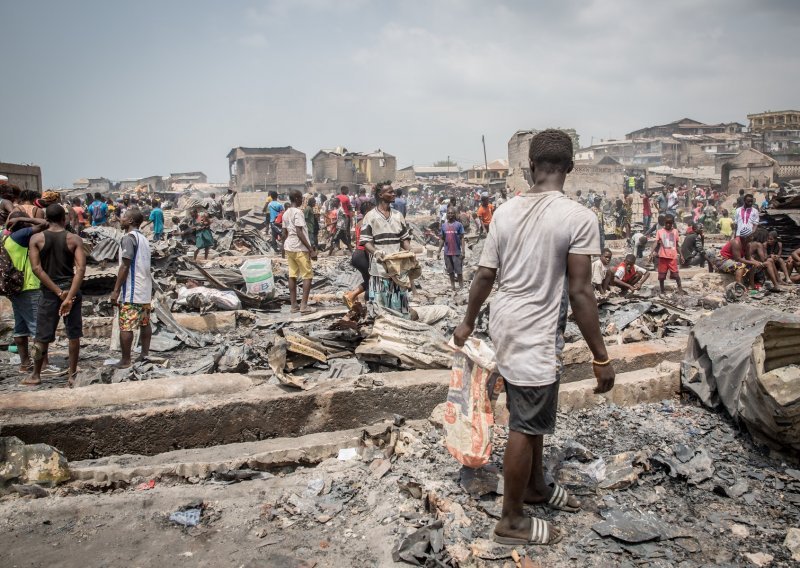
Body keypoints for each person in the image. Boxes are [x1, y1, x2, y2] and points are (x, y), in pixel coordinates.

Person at [453, 130, 614, 547]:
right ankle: (511, 520)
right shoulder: (578, 216)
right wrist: (601, 356)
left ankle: (536, 486)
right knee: (526, 422)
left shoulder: (505, 211)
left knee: (532, 410)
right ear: (571, 168)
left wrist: (468, 322)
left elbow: (485, 274)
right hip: (535, 329)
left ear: (529, 168)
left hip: (506, 321)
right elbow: (580, 291)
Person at [25, 204, 86, 387]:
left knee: (40, 338)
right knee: (73, 335)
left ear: (47, 219)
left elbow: (37, 269)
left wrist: (58, 293)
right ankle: (72, 374)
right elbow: (81, 269)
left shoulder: (36, 239)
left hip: (49, 293)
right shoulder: (74, 239)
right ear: (63, 218)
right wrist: (68, 297)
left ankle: (35, 374)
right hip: (71, 290)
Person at [3, 214, 61, 377]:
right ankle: (43, 365)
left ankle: (25, 364)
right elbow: (45, 223)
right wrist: (27, 219)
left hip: (16, 288)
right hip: (29, 286)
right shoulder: (20, 236)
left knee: (21, 328)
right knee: (39, 328)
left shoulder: (8, 239)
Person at [360, 182, 413, 318]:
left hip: (397, 268)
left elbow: (404, 239)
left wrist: (410, 253)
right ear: (380, 195)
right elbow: (366, 241)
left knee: (399, 306)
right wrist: (376, 252)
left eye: (393, 191)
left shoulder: (398, 215)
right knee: (380, 308)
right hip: (379, 269)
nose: (393, 194)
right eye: (390, 192)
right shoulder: (370, 216)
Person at [109, 209, 153, 368]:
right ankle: (144, 354)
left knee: (126, 325)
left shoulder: (128, 238)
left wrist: (116, 290)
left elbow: (125, 266)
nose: (121, 219)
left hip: (133, 290)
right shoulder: (143, 238)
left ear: (130, 221)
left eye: (124, 217)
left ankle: (126, 360)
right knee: (144, 323)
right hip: (145, 289)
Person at [282, 190, 318, 314]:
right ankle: (304, 306)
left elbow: (284, 233)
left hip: (289, 247)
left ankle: (294, 306)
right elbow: (299, 231)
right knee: (307, 275)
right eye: (301, 198)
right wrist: (311, 249)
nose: (303, 200)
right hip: (299, 247)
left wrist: (282, 248)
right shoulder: (298, 212)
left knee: (292, 275)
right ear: (297, 198)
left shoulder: (286, 213)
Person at [344, 201, 375, 309]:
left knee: (368, 280)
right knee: (372, 281)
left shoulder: (359, 223)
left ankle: (351, 295)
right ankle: (369, 306)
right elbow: (367, 244)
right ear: (368, 211)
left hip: (357, 254)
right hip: (363, 254)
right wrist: (372, 261)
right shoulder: (368, 222)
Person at [651, 214, 684, 295]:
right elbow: (656, 242)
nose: (668, 225)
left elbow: (677, 244)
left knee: (676, 275)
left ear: (672, 223)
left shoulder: (675, 231)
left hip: (672, 257)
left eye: (670, 223)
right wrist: (651, 252)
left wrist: (682, 255)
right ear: (664, 223)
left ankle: (680, 289)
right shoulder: (660, 232)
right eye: (667, 223)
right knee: (661, 276)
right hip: (662, 257)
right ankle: (662, 290)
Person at [438, 207, 465, 290]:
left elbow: (462, 238)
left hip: (456, 252)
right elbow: (442, 239)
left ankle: (461, 286)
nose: (450, 215)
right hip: (447, 252)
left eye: (452, 213)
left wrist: (463, 251)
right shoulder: (444, 226)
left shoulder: (459, 225)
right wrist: (438, 251)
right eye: (449, 213)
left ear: (455, 214)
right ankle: (453, 286)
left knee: (459, 271)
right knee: (450, 271)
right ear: (447, 214)